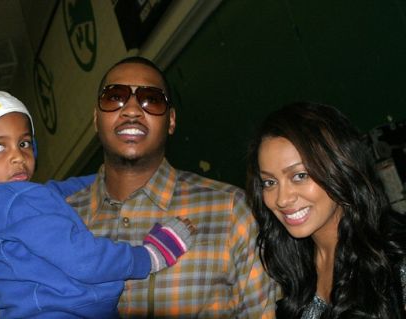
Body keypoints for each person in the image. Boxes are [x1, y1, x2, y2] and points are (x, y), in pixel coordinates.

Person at [0, 91, 196, 319]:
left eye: (24, 143)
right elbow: (85, 260)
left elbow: (55, 191)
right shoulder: (17, 202)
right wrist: (148, 256)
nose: (18, 156)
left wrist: (113, 175)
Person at [66, 56, 278, 318]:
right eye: (114, 97)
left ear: (172, 121)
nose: (131, 111)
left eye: (151, 99)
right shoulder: (61, 219)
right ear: (96, 119)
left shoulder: (231, 210)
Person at [245, 101, 406, 318]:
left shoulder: (395, 259)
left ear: (339, 170)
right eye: (270, 182)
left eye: (299, 176)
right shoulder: (282, 266)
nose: (282, 199)